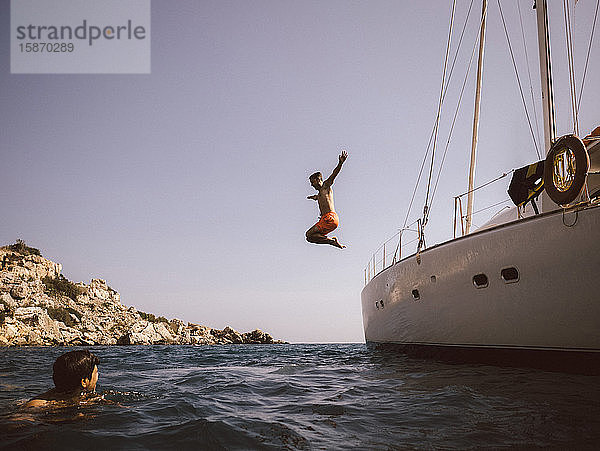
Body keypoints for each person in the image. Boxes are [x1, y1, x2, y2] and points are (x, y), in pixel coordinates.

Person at [25, 350, 100, 408]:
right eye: (96, 372)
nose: (98, 376)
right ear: (84, 382)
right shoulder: (39, 405)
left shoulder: (81, 397)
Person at [306, 150, 348, 249]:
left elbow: (334, 174)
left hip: (330, 218)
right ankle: (332, 241)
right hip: (327, 219)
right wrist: (314, 197)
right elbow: (321, 198)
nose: (312, 185)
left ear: (318, 180)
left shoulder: (326, 186)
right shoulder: (320, 193)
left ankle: (332, 241)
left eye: (313, 182)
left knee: (308, 234)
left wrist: (340, 163)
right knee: (310, 237)